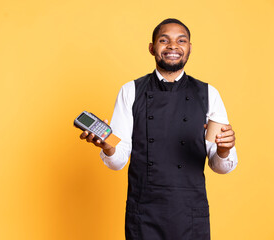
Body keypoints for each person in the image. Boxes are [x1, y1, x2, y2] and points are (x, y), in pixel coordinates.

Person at [79, 18, 237, 240]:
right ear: (152, 48)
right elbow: (119, 160)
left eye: (181, 40)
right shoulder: (130, 91)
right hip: (144, 211)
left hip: (190, 212)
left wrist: (223, 150)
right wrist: (107, 146)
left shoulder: (209, 94)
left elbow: (221, 166)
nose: (173, 46)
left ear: (189, 48)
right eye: (164, 40)